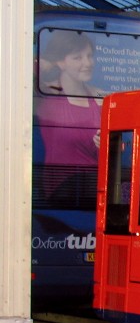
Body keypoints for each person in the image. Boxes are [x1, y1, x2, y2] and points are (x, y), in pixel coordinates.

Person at [34, 30, 104, 199]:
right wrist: (48, 63)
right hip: (61, 191)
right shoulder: (46, 95)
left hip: (96, 190)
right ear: (60, 62)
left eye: (89, 56)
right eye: (77, 58)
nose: (87, 63)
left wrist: (107, 145)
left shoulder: (101, 99)